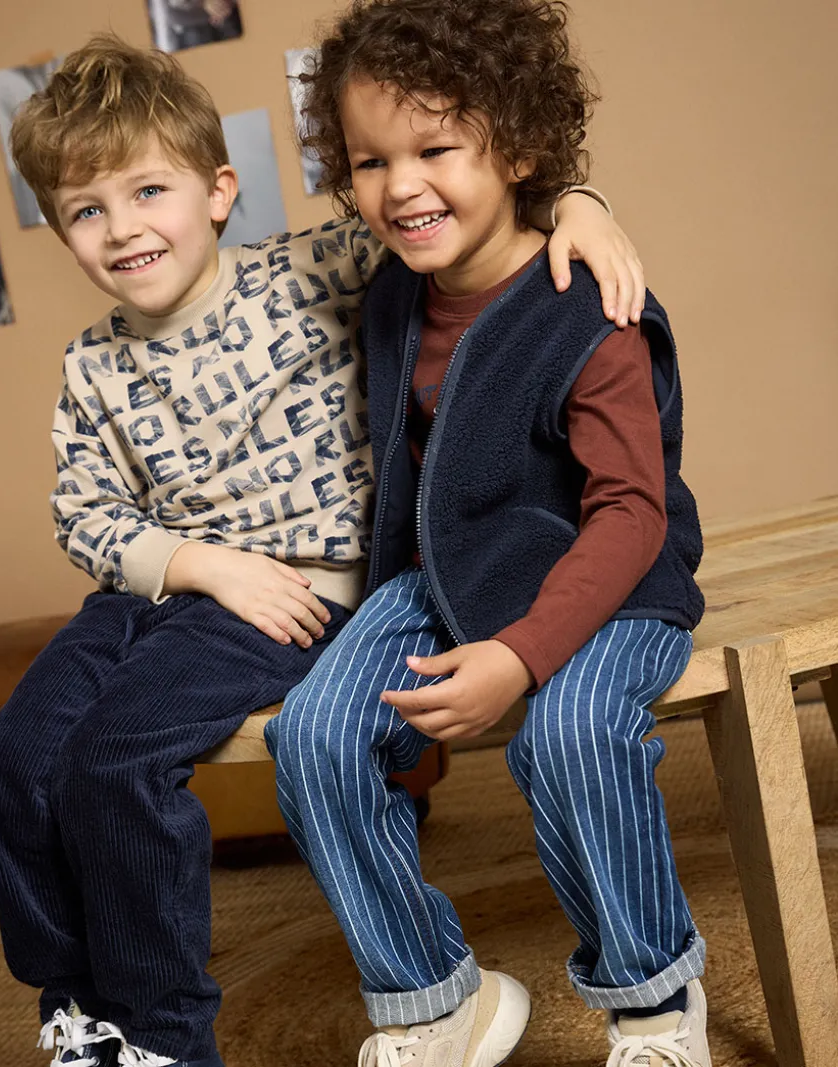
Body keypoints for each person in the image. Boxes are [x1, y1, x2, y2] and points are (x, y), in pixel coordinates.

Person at [0, 31, 646, 1067]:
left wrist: (580, 205)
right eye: (86, 210)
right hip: (161, 593)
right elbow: (85, 514)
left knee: (112, 763)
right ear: (61, 230)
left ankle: (164, 1036)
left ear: (218, 190)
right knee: (4, 770)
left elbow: (453, 218)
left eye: (148, 191)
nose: (122, 227)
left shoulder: (316, 269)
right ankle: (81, 1005)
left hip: (289, 597)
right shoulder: (91, 363)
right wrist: (197, 563)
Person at [265, 2, 710, 1066]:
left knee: (572, 734)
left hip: (608, 579)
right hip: (444, 577)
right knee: (312, 734)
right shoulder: (391, 289)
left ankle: (655, 1005)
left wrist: (520, 654)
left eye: (435, 150)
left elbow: (631, 512)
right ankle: (432, 1002)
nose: (400, 186)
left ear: (516, 148)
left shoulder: (588, 307)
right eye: (370, 161)